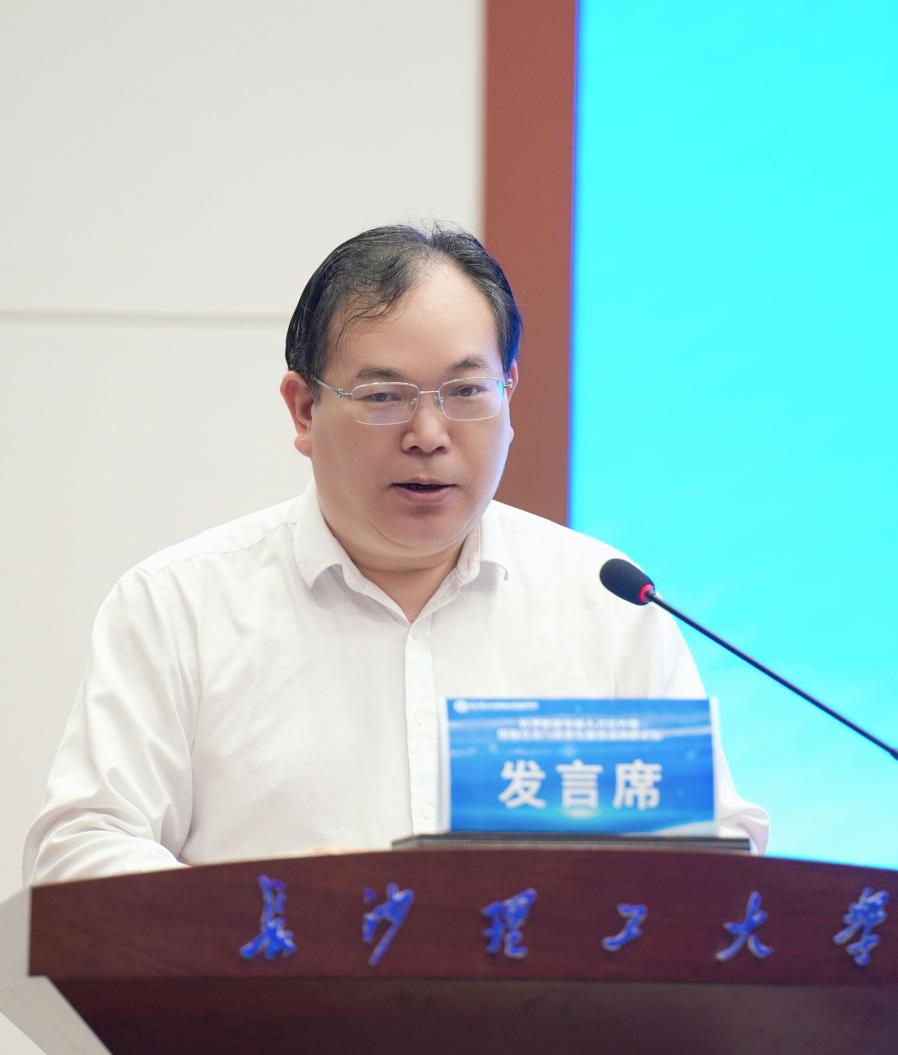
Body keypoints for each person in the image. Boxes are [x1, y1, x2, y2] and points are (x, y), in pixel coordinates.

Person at [24, 224, 767, 883]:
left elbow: (713, 854)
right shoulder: (181, 606)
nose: (429, 434)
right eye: (384, 397)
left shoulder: (608, 606)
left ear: (509, 394)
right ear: (304, 409)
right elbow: (80, 850)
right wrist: (270, 910)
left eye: (466, 391)